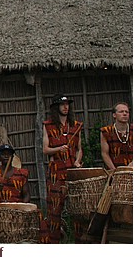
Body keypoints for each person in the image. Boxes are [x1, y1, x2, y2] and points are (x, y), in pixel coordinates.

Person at [41, 93, 84, 244]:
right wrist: (59, 148)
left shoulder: (76, 126)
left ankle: (79, 242)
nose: (66, 107)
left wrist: (78, 161)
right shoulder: (48, 125)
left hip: (72, 171)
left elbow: (79, 149)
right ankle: (53, 244)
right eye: (62, 104)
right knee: (54, 209)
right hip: (56, 171)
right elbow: (45, 150)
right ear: (55, 107)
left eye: (67, 104)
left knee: (78, 209)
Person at [99, 102, 133, 169]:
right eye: (121, 112)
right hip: (115, 170)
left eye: (127, 112)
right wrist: (115, 171)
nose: (124, 114)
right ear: (114, 115)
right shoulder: (106, 132)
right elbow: (105, 153)